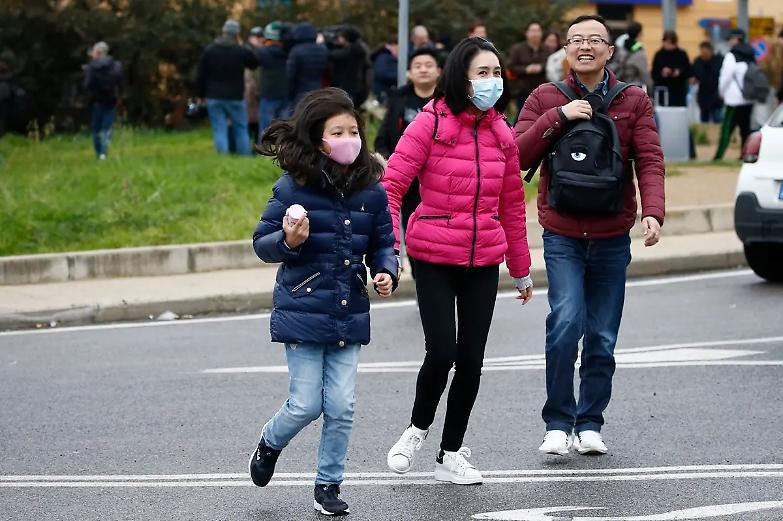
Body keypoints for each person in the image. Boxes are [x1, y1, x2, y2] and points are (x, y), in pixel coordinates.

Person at [383, 37, 533, 485]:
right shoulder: (428, 124)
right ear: (459, 77)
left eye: (496, 73)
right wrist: (390, 249)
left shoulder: (502, 133)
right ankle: (416, 429)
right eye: (482, 73)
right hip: (432, 251)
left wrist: (521, 269)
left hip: (483, 257)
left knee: (472, 359)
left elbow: (511, 206)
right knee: (442, 351)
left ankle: (450, 453)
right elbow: (390, 187)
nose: (492, 82)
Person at [515, 14, 665, 456]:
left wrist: (653, 212)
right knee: (565, 324)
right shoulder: (546, 95)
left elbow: (650, 160)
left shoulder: (632, 99)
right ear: (564, 49)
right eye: (576, 40)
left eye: (594, 40)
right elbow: (516, 153)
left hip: (612, 234)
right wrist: (557, 116)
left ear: (609, 51)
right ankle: (558, 423)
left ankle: (590, 422)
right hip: (561, 232)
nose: (585, 47)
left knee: (602, 334)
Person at [249, 88, 398, 516]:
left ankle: (328, 484)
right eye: (338, 131)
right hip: (303, 307)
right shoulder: (292, 186)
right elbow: (263, 244)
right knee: (306, 404)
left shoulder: (372, 190)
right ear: (319, 139)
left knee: (343, 406)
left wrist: (386, 271)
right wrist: (289, 241)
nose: (349, 138)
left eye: (354, 130)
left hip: (348, 308)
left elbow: (385, 243)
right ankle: (270, 442)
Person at [374, 47, 441, 280]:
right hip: (408, 180)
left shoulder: (447, 101)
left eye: (428, 65)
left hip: (440, 179)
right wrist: (386, 163)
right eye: (417, 66)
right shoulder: (399, 100)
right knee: (413, 231)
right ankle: (422, 276)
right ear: (410, 73)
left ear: (439, 71)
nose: (423, 69)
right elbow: (383, 138)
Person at [196, 20, 258, 155]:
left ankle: (223, 157)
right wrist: (242, 45)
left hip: (214, 96)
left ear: (223, 31)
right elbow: (254, 63)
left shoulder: (210, 50)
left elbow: (201, 75)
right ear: (237, 34)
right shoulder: (240, 50)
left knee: (219, 128)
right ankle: (244, 156)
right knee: (241, 128)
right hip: (235, 96)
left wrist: (201, 95)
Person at [714, 29, 756, 160]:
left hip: (733, 99)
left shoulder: (731, 56)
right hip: (748, 98)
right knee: (745, 129)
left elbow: (725, 77)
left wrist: (721, 92)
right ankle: (744, 155)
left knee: (727, 128)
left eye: (730, 39)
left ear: (736, 39)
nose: (729, 42)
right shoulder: (751, 55)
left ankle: (719, 156)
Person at [83, 41, 122, 160]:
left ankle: (98, 153)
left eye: (93, 52)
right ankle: (104, 154)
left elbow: (87, 84)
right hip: (111, 101)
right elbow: (121, 83)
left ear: (98, 53)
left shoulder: (92, 67)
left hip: (96, 101)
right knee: (107, 128)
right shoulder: (117, 65)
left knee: (96, 129)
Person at [254, 22, 290, 136]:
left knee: (265, 125)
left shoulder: (262, 52)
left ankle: (263, 150)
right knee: (284, 126)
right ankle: (284, 150)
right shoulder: (288, 52)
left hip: (268, 93)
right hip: (285, 92)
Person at [507, 21, 549, 113]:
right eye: (532, 31)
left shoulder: (547, 49)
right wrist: (526, 69)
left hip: (543, 89)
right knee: (523, 116)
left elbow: (552, 64)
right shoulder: (517, 49)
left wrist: (541, 67)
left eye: (538, 31)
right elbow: (511, 66)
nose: (535, 34)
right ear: (526, 33)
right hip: (523, 90)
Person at [286, 21, 328, 109]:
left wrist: (289, 92)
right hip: (318, 88)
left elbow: (290, 74)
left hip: (300, 90)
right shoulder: (323, 49)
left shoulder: (296, 51)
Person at [328, 26, 371, 108]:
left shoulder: (352, 50)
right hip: (354, 86)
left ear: (347, 38)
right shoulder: (359, 48)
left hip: (347, 87)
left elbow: (332, 55)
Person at [610, 22, 653, 95]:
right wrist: (651, 87)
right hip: (634, 88)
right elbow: (644, 74)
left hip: (619, 88)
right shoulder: (639, 52)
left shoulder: (620, 49)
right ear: (639, 34)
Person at [651, 30, 692, 106]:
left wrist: (679, 72)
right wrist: (662, 73)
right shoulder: (659, 54)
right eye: (667, 43)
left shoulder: (681, 54)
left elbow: (689, 71)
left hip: (678, 92)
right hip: (662, 92)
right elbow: (654, 73)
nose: (669, 46)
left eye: (671, 43)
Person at [692, 41, 723, 123]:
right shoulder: (698, 61)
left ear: (711, 51)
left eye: (706, 52)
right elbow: (694, 75)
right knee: (704, 121)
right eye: (702, 52)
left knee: (717, 120)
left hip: (716, 97)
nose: (704, 54)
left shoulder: (719, 61)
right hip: (703, 96)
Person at [371, 36, 399, 105]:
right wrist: (401, 75)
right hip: (382, 95)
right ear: (393, 45)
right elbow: (381, 73)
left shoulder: (387, 56)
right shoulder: (384, 56)